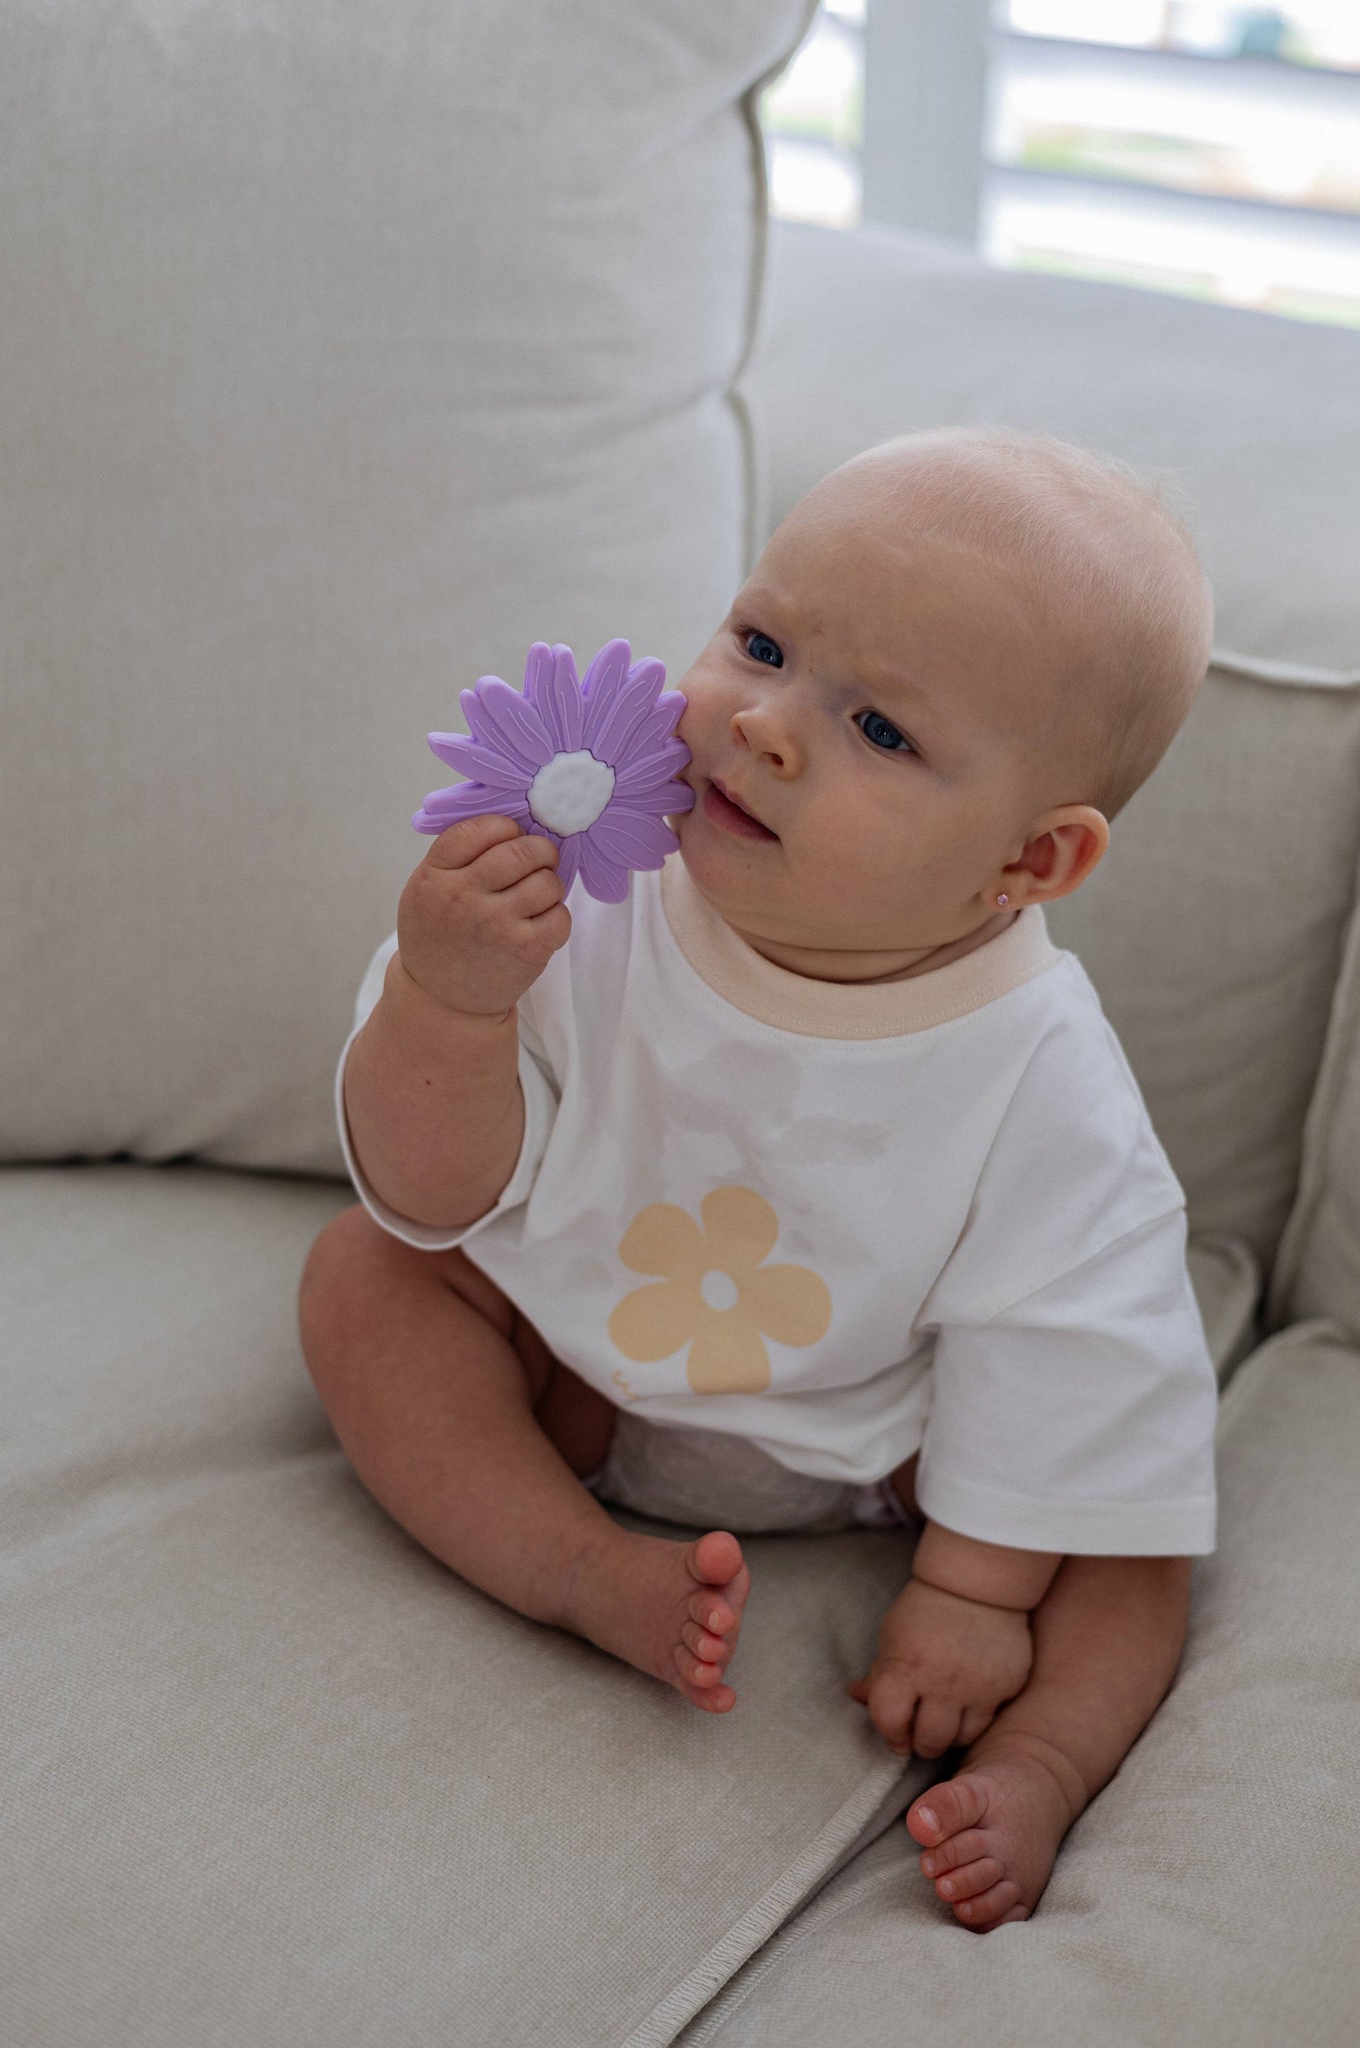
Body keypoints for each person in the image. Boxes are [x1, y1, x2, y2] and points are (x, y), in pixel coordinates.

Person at [298, 425, 1219, 1931]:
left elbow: (1065, 1340)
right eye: (763, 641)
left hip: (898, 1450)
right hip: (583, 1372)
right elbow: (432, 1197)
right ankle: (579, 1568)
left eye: (878, 732)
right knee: (363, 1279)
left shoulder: (1037, 1072)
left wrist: (977, 1589)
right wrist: (447, 1003)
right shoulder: (597, 896)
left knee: (1135, 1539)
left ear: (1028, 864)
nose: (766, 726)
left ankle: (1043, 1772)